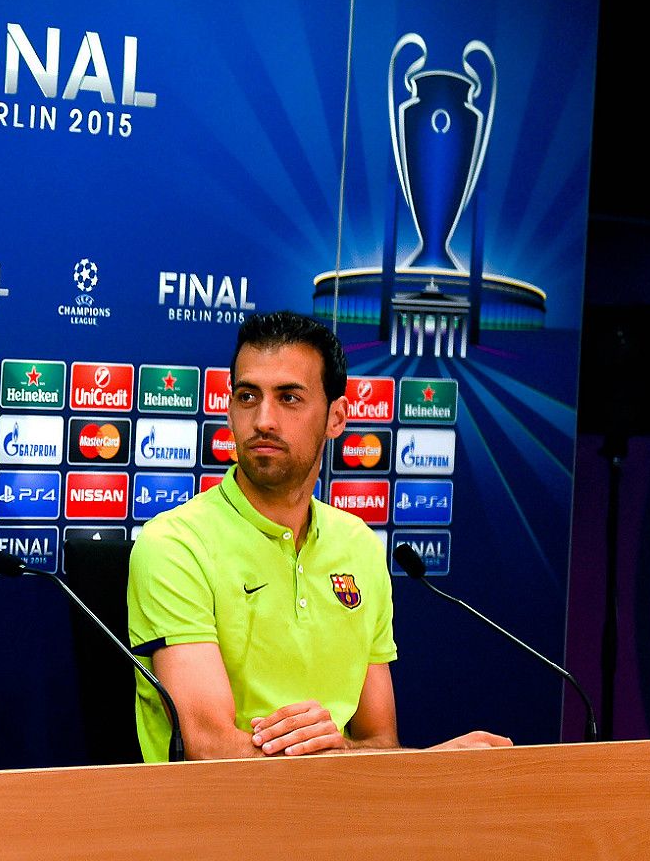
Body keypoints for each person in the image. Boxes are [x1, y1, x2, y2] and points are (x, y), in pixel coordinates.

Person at [127, 310, 508, 761]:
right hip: (213, 822)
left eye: (289, 398)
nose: (263, 420)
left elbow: (378, 739)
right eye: (247, 396)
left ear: (336, 417)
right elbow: (210, 750)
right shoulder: (175, 545)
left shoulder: (360, 547)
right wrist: (349, 761)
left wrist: (425, 762)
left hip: (338, 819)